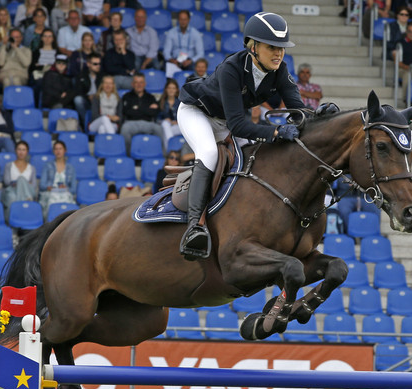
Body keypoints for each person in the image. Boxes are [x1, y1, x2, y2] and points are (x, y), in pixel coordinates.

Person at [176, 12, 317, 259]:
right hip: (197, 113)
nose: (278, 53)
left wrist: (317, 116)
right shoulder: (232, 68)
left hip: (228, 122)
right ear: (253, 46)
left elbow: (298, 110)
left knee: (256, 158)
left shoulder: (280, 70)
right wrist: (275, 131)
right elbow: (239, 126)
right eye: (272, 47)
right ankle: (193, 228)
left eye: (281, 48)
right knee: (209, 153)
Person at [120, 73, 163, 152]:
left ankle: (163, 156)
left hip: (148, 123)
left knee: (159, 129)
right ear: (132, 84)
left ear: (145, 84)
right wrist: (147, 109)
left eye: (141, 82)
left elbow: (154, 112)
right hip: (131, 123)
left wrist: (137, 109)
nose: (139, 85)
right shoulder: (127, 96)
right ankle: (128, 155)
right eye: (136, 82)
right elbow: (127, 112)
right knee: (125, 129)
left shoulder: (150, 97)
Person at [163, 10, 204, 78]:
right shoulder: (171, 33)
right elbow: (166, 51)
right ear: (178, 20)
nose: (183, 22)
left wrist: (190, 61)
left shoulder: (195, 33)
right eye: (181, 19)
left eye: (185, 19)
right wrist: (171, 60)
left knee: (195, 68)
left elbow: (201, 53)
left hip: (189, 61)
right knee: (166, 66)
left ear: (189, 20)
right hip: (175, 60)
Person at [40, 141, 77, 213]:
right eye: (56, 149)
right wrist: (49, 187)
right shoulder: (48, 166)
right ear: (53, 151)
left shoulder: (70, 168)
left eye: (60, 149)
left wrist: (66, 188)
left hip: (65, 193)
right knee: (52, 198)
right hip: (50, 193)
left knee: (67, 199)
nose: (58, 151)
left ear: (65, 150)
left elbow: (73, 189)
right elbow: (42, 185)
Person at [3, 140, 37, 209]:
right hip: (13, 190)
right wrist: (23, 182)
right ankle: (26, 200)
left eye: (24, 150)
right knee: (20, 180)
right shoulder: (9, 165)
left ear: (27, 152)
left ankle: (20, 203)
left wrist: (17, 182)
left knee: (21, 179)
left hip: (28, 191)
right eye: (19, 149)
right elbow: (6, 182)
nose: (21, 152)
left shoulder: (32, 168)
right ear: (15, 150)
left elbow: (33, 185)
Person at [74, 52, 104, 126]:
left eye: (99, 64)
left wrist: (96, 97)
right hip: (87, 101)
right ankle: (86, 122)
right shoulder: (81, 75)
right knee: (78, 99)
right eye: (95, 64)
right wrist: (88, 96)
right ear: (88, 64)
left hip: (99, 102)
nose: (98, 66)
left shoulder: (103, 76)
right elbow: (78, 91)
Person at [28, 28, 57, 101]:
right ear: (42, 38)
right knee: (39, 82)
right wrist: (47, 66)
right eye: (45, 36)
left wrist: (41, 65)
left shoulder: (58, 53)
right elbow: (32, 67)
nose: (47, 38)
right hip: (39, 76)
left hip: (53, 76)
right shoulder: (36, 53)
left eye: (50, 36)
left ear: (53, 38)